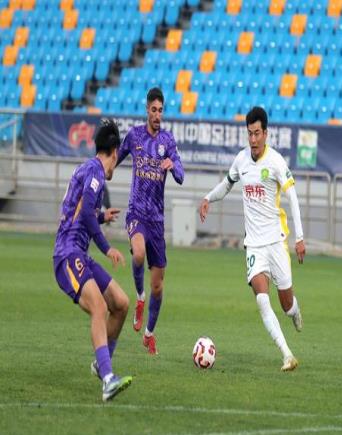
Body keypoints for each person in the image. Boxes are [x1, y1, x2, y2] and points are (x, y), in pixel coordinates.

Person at [199, 106, 305, 372]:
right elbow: (227, 184)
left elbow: (292, 197)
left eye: (257, 133)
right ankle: (287, 354)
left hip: (277, 241)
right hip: (254, 245)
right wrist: (208, 197)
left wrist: (300, 238)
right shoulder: (241, 160)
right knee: (261, 298)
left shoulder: (276, 162)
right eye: (250, 133)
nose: (253, 139)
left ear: (266, 133)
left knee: (286, 304)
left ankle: (295, 311)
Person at [53, 119, 132, 402]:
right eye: (118, 158)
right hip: (67, 254)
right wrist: (107, 248)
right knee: (99, 306)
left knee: (121, 303)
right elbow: (85, 213)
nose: (115, 166)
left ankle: (102, 364)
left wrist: (101, 216)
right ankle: (108, 379)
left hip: (80, 254)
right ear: (114, 152)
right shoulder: (96, 171)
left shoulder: (88, 169)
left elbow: (82, 211)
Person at [117, 87, 184, 355]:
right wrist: (100, 171)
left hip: (157, 221)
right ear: (147, 109)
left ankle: (149, 334)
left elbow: (181, 175)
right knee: (138, 253)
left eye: (161, 110)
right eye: (153, 110)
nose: (157, 115)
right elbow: (114, 158)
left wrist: (172, 165)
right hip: (137, 213)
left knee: (158, 285)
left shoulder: (168, 141)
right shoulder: (134, 136)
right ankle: (139, 298)